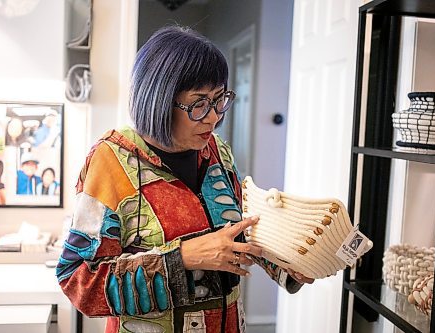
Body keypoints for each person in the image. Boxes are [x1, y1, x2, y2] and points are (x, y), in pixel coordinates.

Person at [56, 26, 313, 333]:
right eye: (199, 103)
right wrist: (182, 259)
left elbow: (238, 233)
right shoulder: (110, 163)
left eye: (220, 99)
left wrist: (290, 262)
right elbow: (78, 280)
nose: (214, 116)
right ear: (160, 100)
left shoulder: (217, 151)